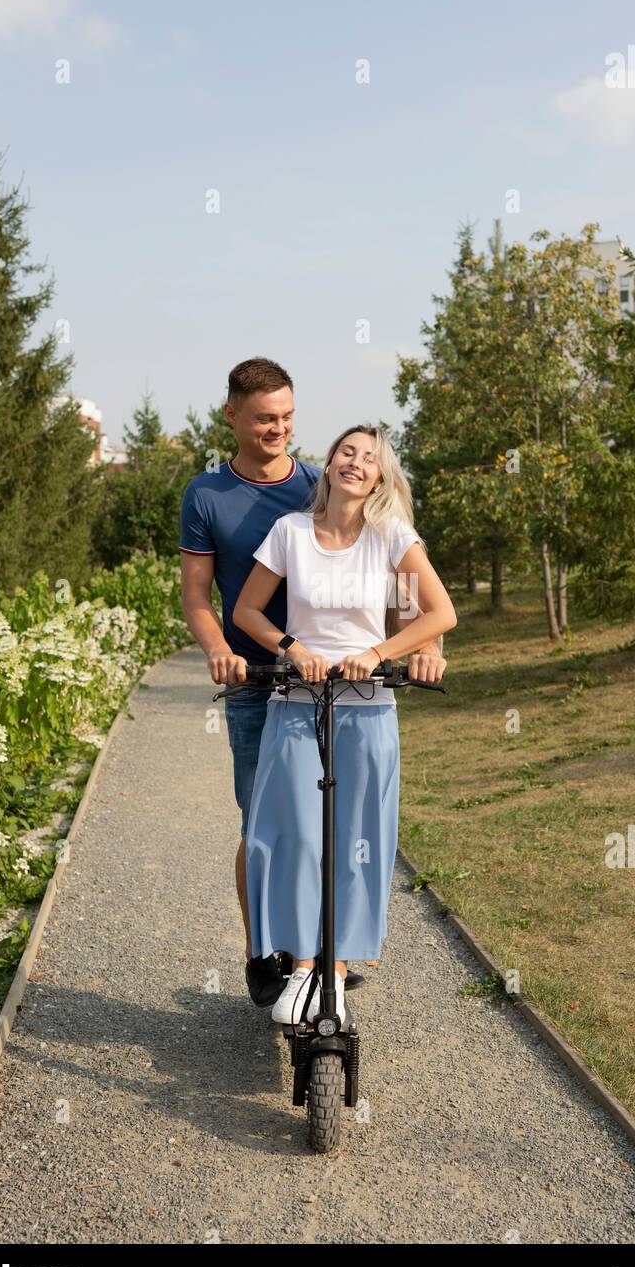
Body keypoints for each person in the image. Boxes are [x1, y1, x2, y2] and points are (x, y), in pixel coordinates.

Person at [178, 358, 446, 1009]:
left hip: (349, 685)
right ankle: (266, 956)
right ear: (233, 416)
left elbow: (401, 575)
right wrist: (220, 651)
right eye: (266, 419)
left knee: (340, 822)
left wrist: (427, 641)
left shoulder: (315, 485)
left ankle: (328, 956)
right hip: (257, 679)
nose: (279, 430)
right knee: (268, 822)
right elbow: (198, 598)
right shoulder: (207, 495)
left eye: (289, 418)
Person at [232, 423, 457, 1025]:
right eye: (347, 452)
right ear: (328, 465)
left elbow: (437, 613)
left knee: (358, 838)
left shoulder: (390, 537)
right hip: (298, 701)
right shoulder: (291, 533)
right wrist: (290, 645)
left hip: (367, 705)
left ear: (381, 476)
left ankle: (334, 971)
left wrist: (382, 651)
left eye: (370, 458)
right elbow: (247, 610)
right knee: (295, 834)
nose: (356, 462)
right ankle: (302, 966)